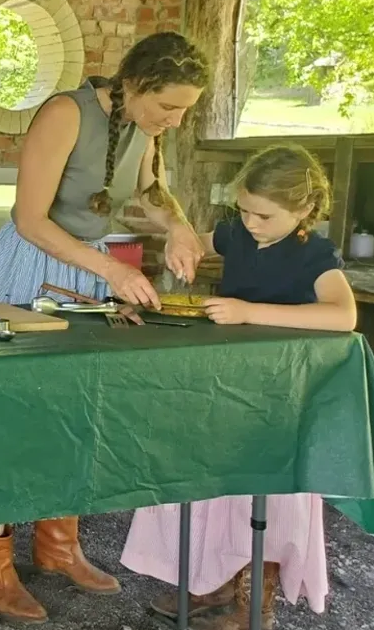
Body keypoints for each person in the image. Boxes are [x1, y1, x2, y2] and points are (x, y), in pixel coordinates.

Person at [0, 32, 210, 624]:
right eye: (169, 107)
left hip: (87, 280)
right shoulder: (64, 114)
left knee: (78, 410)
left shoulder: (144, 128)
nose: (175, 121)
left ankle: (56, 545)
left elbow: (150, 190)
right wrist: (110, 267)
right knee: (12, 417)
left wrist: (177, 225)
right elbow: (29, 219)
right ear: (134, 84)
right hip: (30, 272)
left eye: (185, 109)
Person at [121, 144, 356, 630]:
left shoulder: (315, 253)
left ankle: (254, 604)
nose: (250, 223)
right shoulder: (239, 234)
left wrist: (249, 312)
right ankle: (213, 582)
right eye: (243, 210)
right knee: (217, 483)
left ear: (306, 208)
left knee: (264, 492)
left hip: (280, 392)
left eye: (263, 215)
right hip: (228, 385)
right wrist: (182, 244)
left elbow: (343, 315)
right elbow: (201, 242)